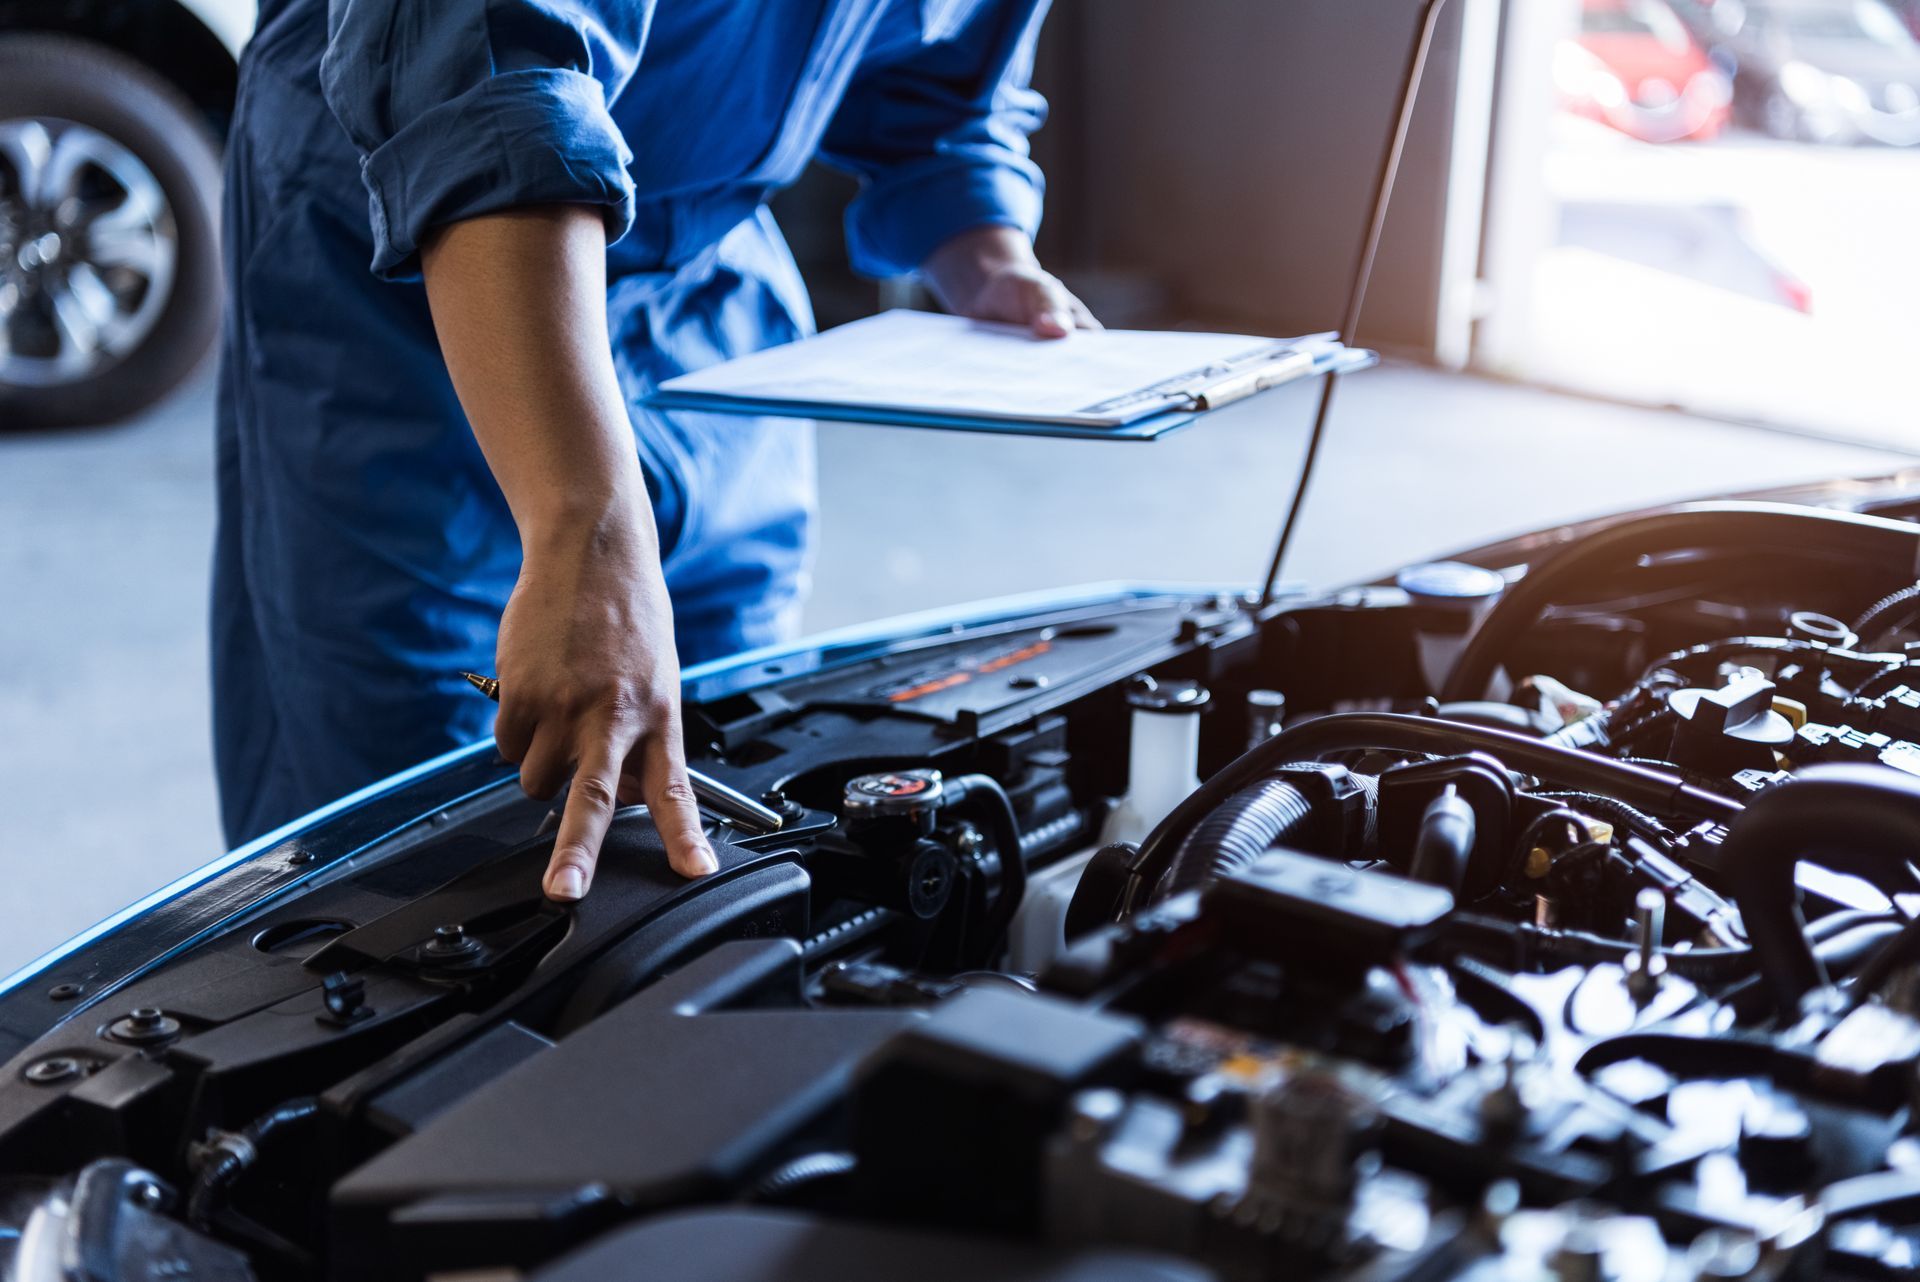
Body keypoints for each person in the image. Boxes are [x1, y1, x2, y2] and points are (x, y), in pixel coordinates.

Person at [214, 0, 1098, 901]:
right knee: (417, 840)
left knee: (742, 759)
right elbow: (482, 72)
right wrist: (583, 528)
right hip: (428, 276)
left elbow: (940, 72)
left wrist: (985, 248)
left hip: (705, 281)